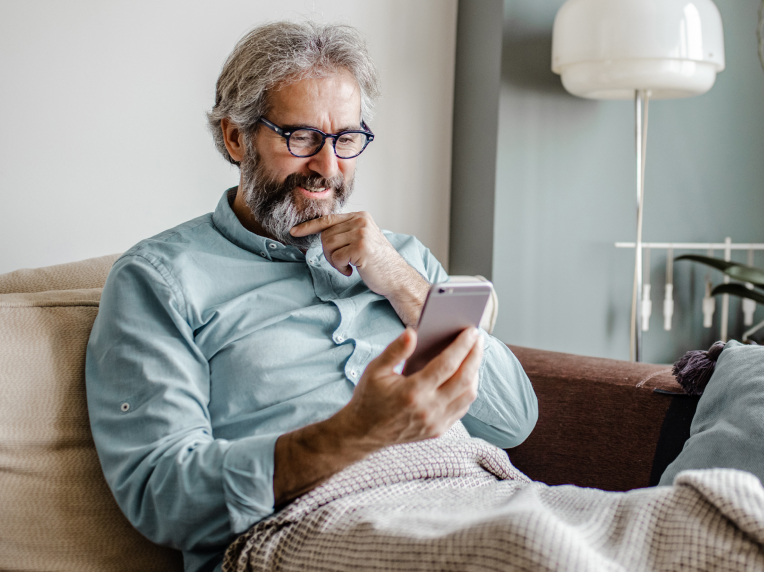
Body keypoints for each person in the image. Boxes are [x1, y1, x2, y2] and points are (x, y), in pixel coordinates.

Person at [85, 21, 538, 572]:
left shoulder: (400, 258)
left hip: (474, 495)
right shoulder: (159, 279)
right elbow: (164, 495)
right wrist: (354, 434)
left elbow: (514, 420)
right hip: (304, 526)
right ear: (235, 137)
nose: (328, 168)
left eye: (346, 139)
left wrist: (403, 283)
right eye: (301, 138)